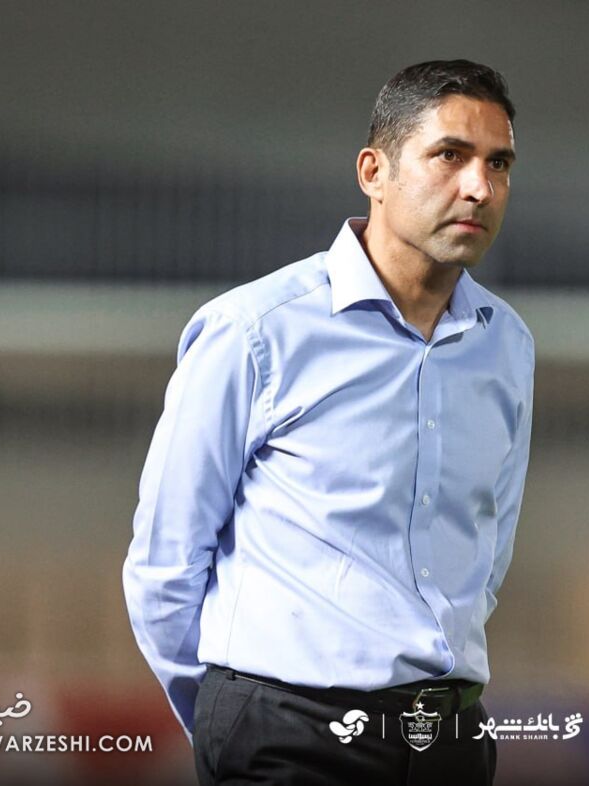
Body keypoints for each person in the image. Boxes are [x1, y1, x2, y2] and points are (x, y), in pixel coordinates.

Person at [122, 59, 533, 786]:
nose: (480, 186)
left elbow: (487, 557)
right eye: (450, 155)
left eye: (497, 164)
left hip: (450, 739)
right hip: (288, 734)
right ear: (374, 172)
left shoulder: (507, 346)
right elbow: (166, 564)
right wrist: (231, 718)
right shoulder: (256, 331)